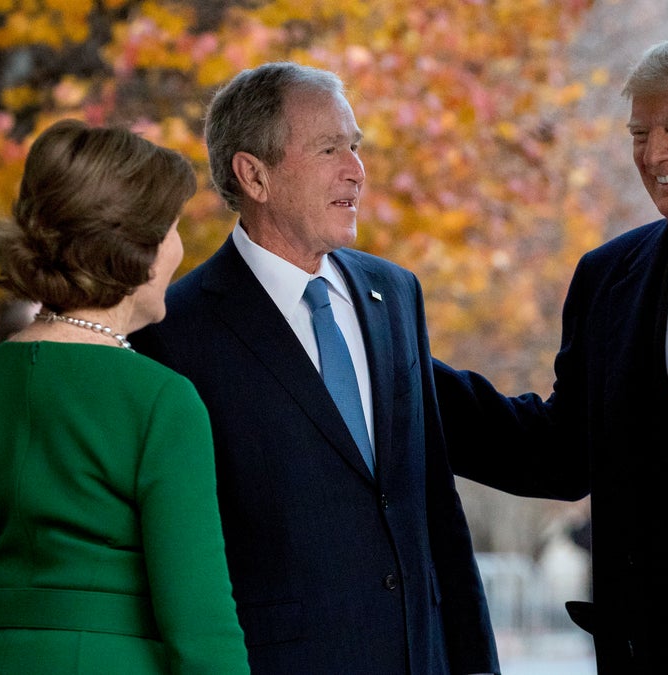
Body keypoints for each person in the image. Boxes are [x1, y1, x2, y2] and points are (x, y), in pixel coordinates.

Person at [128, 62, 499, 674]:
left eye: (354, 147)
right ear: (255, 174)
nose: (356, 170)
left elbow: (434, 502)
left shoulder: (395, 293)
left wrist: (476, 662)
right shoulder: (173, 333)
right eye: (330, 148)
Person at [432, 33, 668, 673]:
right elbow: (563, 455)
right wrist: (397, 373)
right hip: (648, 646)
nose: (652, 154)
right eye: (638, 134)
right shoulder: (609, 275)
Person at [0, 119, 248, 674]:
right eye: (170, 230)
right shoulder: (161, 400)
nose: (179, 249)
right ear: (133, 246)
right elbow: (201, 627)